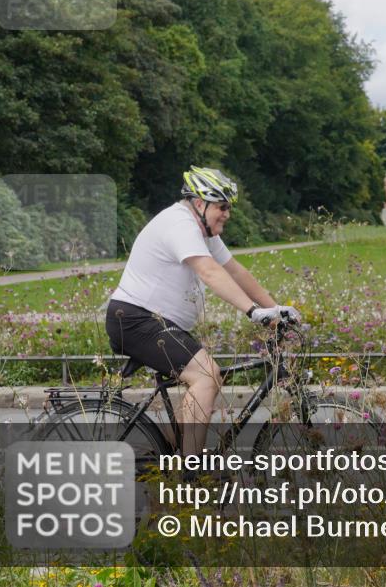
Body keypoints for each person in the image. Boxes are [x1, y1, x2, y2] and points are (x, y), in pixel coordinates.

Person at [105, 166, 298, 457]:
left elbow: (235, 271)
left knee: (207, 377)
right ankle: (191, 472)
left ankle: (171, 455)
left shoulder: (202, 231)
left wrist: (275, 311)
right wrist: (252, 311)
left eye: (228, 207)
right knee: (206, 375)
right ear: (200, 203)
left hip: (154, 322)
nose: (227, 214)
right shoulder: (180, 224)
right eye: (222, 207)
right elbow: (209, 271)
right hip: (135, 320)